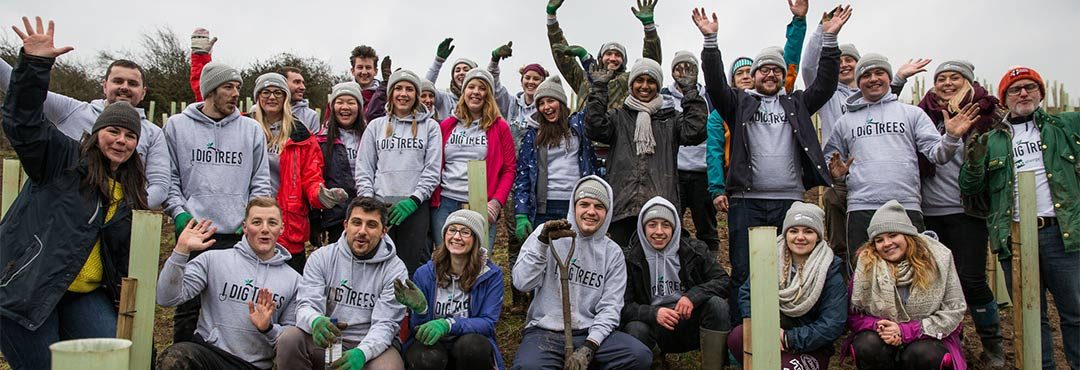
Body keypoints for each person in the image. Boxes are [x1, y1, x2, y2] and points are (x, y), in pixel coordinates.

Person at [0, 18, 147, 369]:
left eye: (130, 136)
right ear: (96, 133)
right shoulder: (61, 159)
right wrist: (34, 65)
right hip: (29, 288)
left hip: (83, 294)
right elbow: (22, 121)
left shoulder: (129, 190)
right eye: (113, 131)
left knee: (109, 360)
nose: (121, 141)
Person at [695, 6, 849, 325]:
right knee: (743, 270)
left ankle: (786, 334)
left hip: (790, 201)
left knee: (792, 267)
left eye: (776, 70)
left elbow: (826, 84)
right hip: (746, 202)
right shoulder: (738, 103)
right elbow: (713, 85)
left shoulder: (797, 103)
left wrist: (830, 39)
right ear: (753, 76)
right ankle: (743, 339)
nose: (770, 74)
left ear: (782, 76)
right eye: (764, 69)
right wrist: (711, 42)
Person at [959, 66, 1080, 369]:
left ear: (1041, 93)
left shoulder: (1065, 125)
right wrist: (972, 157)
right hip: (1013, 237)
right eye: (1015, 89)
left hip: (1060, 232)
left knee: (1075, 312)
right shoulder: (992, 140)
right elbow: (970, 187)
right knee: (1029, 314)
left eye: (1029, 87)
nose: (1023, 93)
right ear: (1004, 98)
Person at [800, 10, 928, 265]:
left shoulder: (872, 91)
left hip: (880, 180)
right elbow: (808, 66)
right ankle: (850, 291)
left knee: (892, 242)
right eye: (840, 60)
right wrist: (823, 34)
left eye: (851, 60)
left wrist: (900, 77)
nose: (845, 64)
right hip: (841, 176)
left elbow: (887, 104)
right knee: (846, 241)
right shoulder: (827, 93)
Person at [823, 54, 974, 265]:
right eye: (866, 75)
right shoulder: (844, 122)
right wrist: (837, 176)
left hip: (905, 204)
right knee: (862, 273)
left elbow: (937, 155)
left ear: (889, 77)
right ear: (859, 82)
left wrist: (951, 137)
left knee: (915, 271)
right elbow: (830, 162)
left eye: (879, 73)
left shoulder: (913, 114)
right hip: (860, 206)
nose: (873, 78)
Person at [165, 59, 273, 343]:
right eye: (228, 87)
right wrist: (179, 213)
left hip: (236, 235)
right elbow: (170, 179)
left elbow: (260, 183)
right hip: (195, 233)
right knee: (188, 307)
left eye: (238, 87)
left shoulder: (250, 130)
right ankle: (184, 357)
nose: (236, 93)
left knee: (233, 304)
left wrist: (253, 222)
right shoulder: (177, 127)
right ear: (210, 91)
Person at [0, 29, 169, 211]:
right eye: (118, 81)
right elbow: (24, 96)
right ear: (104, 86)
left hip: (115, 223)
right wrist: (33, 63)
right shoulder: (72, 110)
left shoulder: (153, 133)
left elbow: (159, 184)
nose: (124, 87)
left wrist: (118, 211)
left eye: (133, 84)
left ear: (143, 92)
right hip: (61, 213)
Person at [914, 60, 1005, 367]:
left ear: (968, 81)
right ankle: (952, 338)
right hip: (928, 210)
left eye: (955, 78)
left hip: (967, 210)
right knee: (935, 282)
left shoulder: (988, 116)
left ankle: (992, 342)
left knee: (972, 279)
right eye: (941, 78)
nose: (947, 83)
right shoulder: (922, 115)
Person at [512, 176, 652, 370]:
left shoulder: (612, 253)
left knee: (638, 356)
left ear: (607, 212)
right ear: (574, 206)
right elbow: (522, 283)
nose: (591, 212)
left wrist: (590, 346)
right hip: (545, 331)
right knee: (528, 367)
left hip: (590, 331)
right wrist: (542, 244)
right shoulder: (546, 235)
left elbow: (610, 307)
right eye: (584, 204)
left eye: (599, 206)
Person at [156, 197, 300, 370]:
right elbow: (166, 298)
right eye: (256, 222)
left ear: (281, 228)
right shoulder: (213, 260)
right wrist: (181, 250)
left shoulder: (294, 280)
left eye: (272, 223)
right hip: (210, 356)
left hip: (253, 365)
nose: (264, 229)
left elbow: (292, 342)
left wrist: (268, 328)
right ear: (245, 227)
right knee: (175, 358)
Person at [584, 55, 707, 248]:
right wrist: (599, 88)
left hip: (660, 209)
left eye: (651, 81)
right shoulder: (618, 118)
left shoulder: (671, 119)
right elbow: (594, 128)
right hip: (623, 209)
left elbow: (696, 131)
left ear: (658, 86)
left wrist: (689, 91)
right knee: (622, 268)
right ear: (631, 84)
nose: (644, 86)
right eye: (639, 80)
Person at [276, 197, 407, 370]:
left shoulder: (395, 269)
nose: (362, 231)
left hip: (370, 345)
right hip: (329, 340)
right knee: (289, 338)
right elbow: (305, 305)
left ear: (384, 231)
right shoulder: (321, 258)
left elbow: (386, 324)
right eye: (356, 222)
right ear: (346, 225)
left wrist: (362, 352)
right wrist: (315, 321)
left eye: (371, 225)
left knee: (389, 368)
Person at [845, 200, 967, 370]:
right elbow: (853, 315)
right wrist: (878, 326)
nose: (887, 243)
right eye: (879, 240)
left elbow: (954, 311)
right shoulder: (866, 267)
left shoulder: (939, 261)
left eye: (893, 235)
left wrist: (905, 331)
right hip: (883, 339)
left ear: (907, 235)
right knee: (867, 344)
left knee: (923, 353)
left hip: (926, 339)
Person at [511, 75, 597, 312]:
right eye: (541, 103)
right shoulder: (533, 135)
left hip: (576, 205)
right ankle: (543, 307)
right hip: (544, 207)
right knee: (545, 260)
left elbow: (596, 94)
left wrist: (588, 64)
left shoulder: (579, 127)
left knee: (577, 257)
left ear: (562, 102)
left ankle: (575, 305)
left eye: (552, 101)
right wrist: (521, 214)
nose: (547, 107)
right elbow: (522, 176)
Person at [728, 202, 847, 369]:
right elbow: (747, 293)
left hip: (811, 345)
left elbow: (833, 322)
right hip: (770, 333)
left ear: (818, 236)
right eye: (793, 231)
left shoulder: (831, 269)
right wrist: (763, 327)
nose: (800, 237)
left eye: (808, 231)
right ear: (786, 233)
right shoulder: (768, 257)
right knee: (737, 337)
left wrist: (789, 338)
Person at [250, 72, 348, 273]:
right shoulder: (244, 127)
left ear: (286, 97)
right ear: (257, 96)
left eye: (278, 92)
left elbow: (311, 176)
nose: (272, 97)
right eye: (266, 92)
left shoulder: (301, 134)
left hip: (288, 222)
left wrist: (319, 195)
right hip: (252, 220)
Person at [621, 197, 732, 369]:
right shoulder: (629, 258)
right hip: (654, 326)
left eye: (665, 225)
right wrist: (654, 313)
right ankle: (654, 361)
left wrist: (692, 297)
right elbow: (624, 306)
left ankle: (713, 365)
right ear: (642, 228)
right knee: (635, 327)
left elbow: (724, 280)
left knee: (717, 305)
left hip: (689, 320)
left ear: (675, 228)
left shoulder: (694, 249)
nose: (659, 231)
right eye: (652, 225)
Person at [355, 69, 443, 274]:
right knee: (377, 265)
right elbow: (364, 168)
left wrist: (414, 200)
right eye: (399, 88)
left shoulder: (430, 127)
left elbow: (432, 170)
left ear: (417, 95)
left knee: (409, 267)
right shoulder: (376, 126)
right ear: (391, 93)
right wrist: (369, 203)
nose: (403, 94)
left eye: (410, 89)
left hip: (414, 207)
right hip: (380, 206)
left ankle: (409, 307)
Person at [396, 209, 506, 370]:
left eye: (465, 232)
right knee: (425, 357)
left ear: (476, 239)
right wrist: (421, 310)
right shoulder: (425, 273)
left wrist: (449, 324)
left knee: (473, 348)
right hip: (434, 346)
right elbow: (417, 329)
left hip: (467, 341)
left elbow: (488, 322)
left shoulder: (491, 275)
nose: (456, 237)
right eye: (452, 230)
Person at [431, 69, 516, 250]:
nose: (476, 92)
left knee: (478, 261)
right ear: (464, 92)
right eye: (471, 87)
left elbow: (509, 169)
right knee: (446, 259)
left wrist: (497, 202)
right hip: (446, 201)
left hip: (480, 203)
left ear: (488, 95)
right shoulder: (447, 126)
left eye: (482, 88)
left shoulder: (500, 127)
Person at [188, 28, 322, 136]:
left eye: (277, 92)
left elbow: (312, 161)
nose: (302, 87)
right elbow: (210, 99)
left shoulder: (306, 122)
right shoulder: (244, 121)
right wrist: (200, 58)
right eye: (266, 92)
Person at [545, 0, 663, 111]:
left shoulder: (627, 82)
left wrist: (649, 28)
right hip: (584, 132)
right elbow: (562, 56)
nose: (612, 58)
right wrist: (551, 18)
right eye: (608, 54)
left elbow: (651, 66)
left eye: (618, 55)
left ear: (623, 61)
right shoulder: (583, 80)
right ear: (600, 58)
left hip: (617, 132)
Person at [313, 81, 366, 246]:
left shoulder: (369, 135)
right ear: (332, 107)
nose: (345, 107)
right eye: (340, 102)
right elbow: (315, 178)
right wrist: (315, 219)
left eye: (351, 102)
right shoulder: (321, 140)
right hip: (336, 215)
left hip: (366, 209)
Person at [423, 38, 514, 120]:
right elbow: (424, 87)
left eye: (466, 69)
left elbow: (492, 84)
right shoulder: (444, 98)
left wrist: (494, 61)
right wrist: (438, 61)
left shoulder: (480, 99)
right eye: (457, 70)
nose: (461, 72)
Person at [505, 63, 550, 148]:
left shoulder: (547, 109)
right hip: (511, 159)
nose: (531, 82)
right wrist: (494, 61)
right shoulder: (511, 103)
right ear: (522, 81)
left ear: (542, 83)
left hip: (536, 159)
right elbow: (496, 88)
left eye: (536, 79)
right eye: (527, 78)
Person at [279, 65, 322, 134]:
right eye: (296, 82)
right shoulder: (261, 111)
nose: (303, 87)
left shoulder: (311, 116)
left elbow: (313, 144)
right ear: (282, 83)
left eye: (303, 83)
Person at [349, 45, 388, 121]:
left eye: (368, 67)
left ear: (375, 71)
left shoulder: (386, 96)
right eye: (360, 67)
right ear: (352, 71)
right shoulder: (340, 95)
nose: (364, 72)